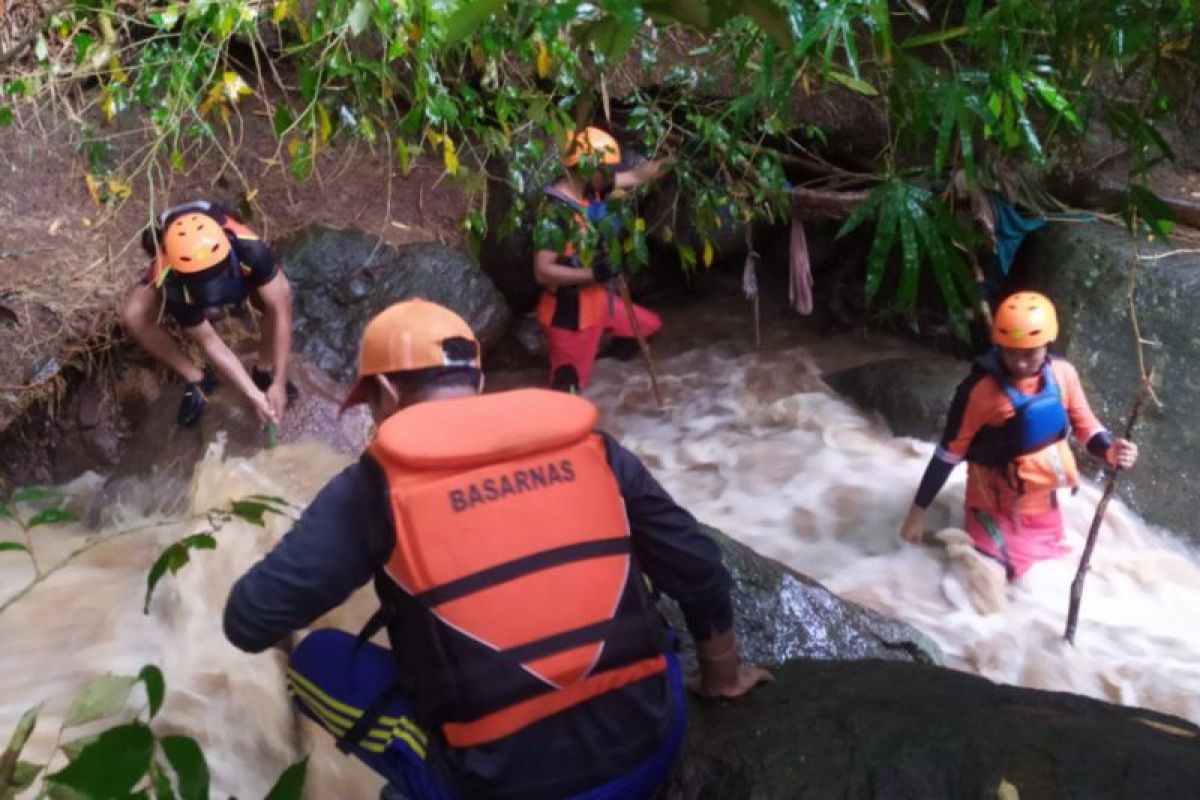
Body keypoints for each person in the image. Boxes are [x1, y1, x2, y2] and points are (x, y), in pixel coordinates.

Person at [223, 299, 770, 799]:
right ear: (477, 381)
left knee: (316, 658)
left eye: (370, 402)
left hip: (507, 791)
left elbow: (249, 619)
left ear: (386, 394)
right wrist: (721, 676)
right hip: (652, 747)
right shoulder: (589, 445)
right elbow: (694, 562)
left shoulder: (376, 486)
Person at [899, 291, 1139, 585]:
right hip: (991, 508)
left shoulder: (1063, 374)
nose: (1021, 362)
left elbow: (1087, 427)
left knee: (1054, 582)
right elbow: (948, 454)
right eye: (1011, 352)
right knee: (993, 581)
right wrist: (916, 513)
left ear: (1047, 344)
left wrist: (1111, 451)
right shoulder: (978, 392)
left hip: (1043, 509)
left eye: (1030, 353)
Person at [120, 199, 295, 427]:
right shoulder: (171, 278)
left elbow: (281, 311)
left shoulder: (249, 248)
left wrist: (279, 382)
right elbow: (210, 341)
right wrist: (252, 395)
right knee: (134, 315)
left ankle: (264, 369)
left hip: (225, 242)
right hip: (175, 255)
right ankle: (198, 379)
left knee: (282, 292)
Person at [533, 126, 673, 393]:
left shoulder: (589, 187)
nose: (610, 175)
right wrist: (594, 274)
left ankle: (608, 378)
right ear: (587, 168)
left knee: (648, 328)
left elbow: (637, 176)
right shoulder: (555, 212)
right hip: (570, 314)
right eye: (605, 169)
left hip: (600, 303)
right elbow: (542, 271)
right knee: (568, 395)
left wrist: (677, 161)